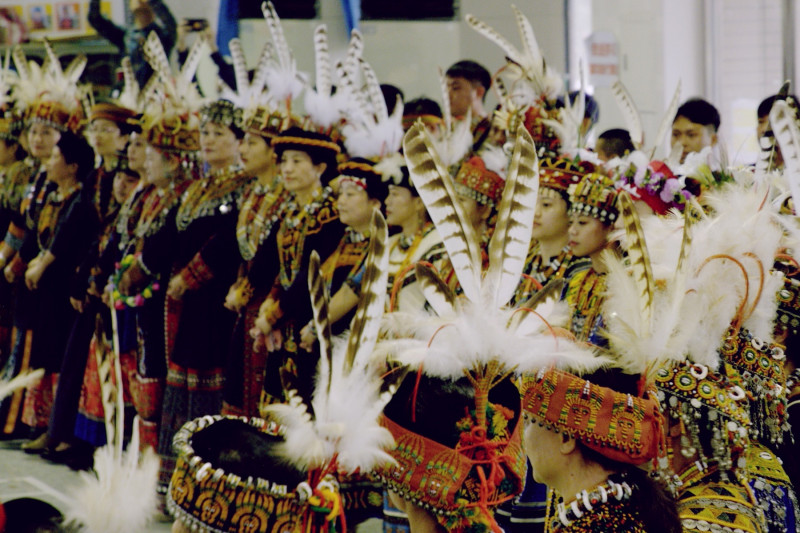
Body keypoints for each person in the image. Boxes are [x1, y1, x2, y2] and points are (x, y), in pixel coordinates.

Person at [521, 367, 681, 533]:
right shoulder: (629, 511)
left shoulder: (598, 524)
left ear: (566, 438)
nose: (525, 438)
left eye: (528, 422)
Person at [253, 127, 344, 409]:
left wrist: (273, 315)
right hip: (286, 321)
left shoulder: (330, 214)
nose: (287, 169)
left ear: (320, 167)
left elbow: (311, 275)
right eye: (284, 161)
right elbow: (281, 267)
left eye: (297, 161)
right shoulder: (291, 211)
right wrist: (269, 303)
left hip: (311, 321)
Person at [19, 132, 99, 447]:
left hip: (65, 292)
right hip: (49, 291)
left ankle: (58, 430)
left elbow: (63, 243)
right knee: (47, 353)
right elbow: (46, 239)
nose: (50, 162)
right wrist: (37, 262)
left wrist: (41, 265)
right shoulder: (56, 198)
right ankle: (45, 427)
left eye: (56, 157)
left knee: (58, 358)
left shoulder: (81, 203)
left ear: (73, 167)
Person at [562, 172, 620, 346]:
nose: (572, 230)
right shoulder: (576, 277)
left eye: (582, 223)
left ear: (610, 228)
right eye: (571, 222)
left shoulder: (623, 284)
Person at [88, 0, 177, 87]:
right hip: (129, 93)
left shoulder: (162, 37)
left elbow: (172, 27)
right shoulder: (125, 37)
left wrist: (153, 2)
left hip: (155, 92)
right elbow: (96, 20)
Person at [445, 59, 492, 151]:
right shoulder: (445, 130)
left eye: (455, 88)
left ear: (479, 92)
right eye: (446, 88)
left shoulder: (491, 130)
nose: (447, 95)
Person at [671, 98, 720, 163]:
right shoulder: (657, 173)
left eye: (691, 135)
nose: (682, 143)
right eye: (675, 134)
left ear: (713, 140)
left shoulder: (727, 173)